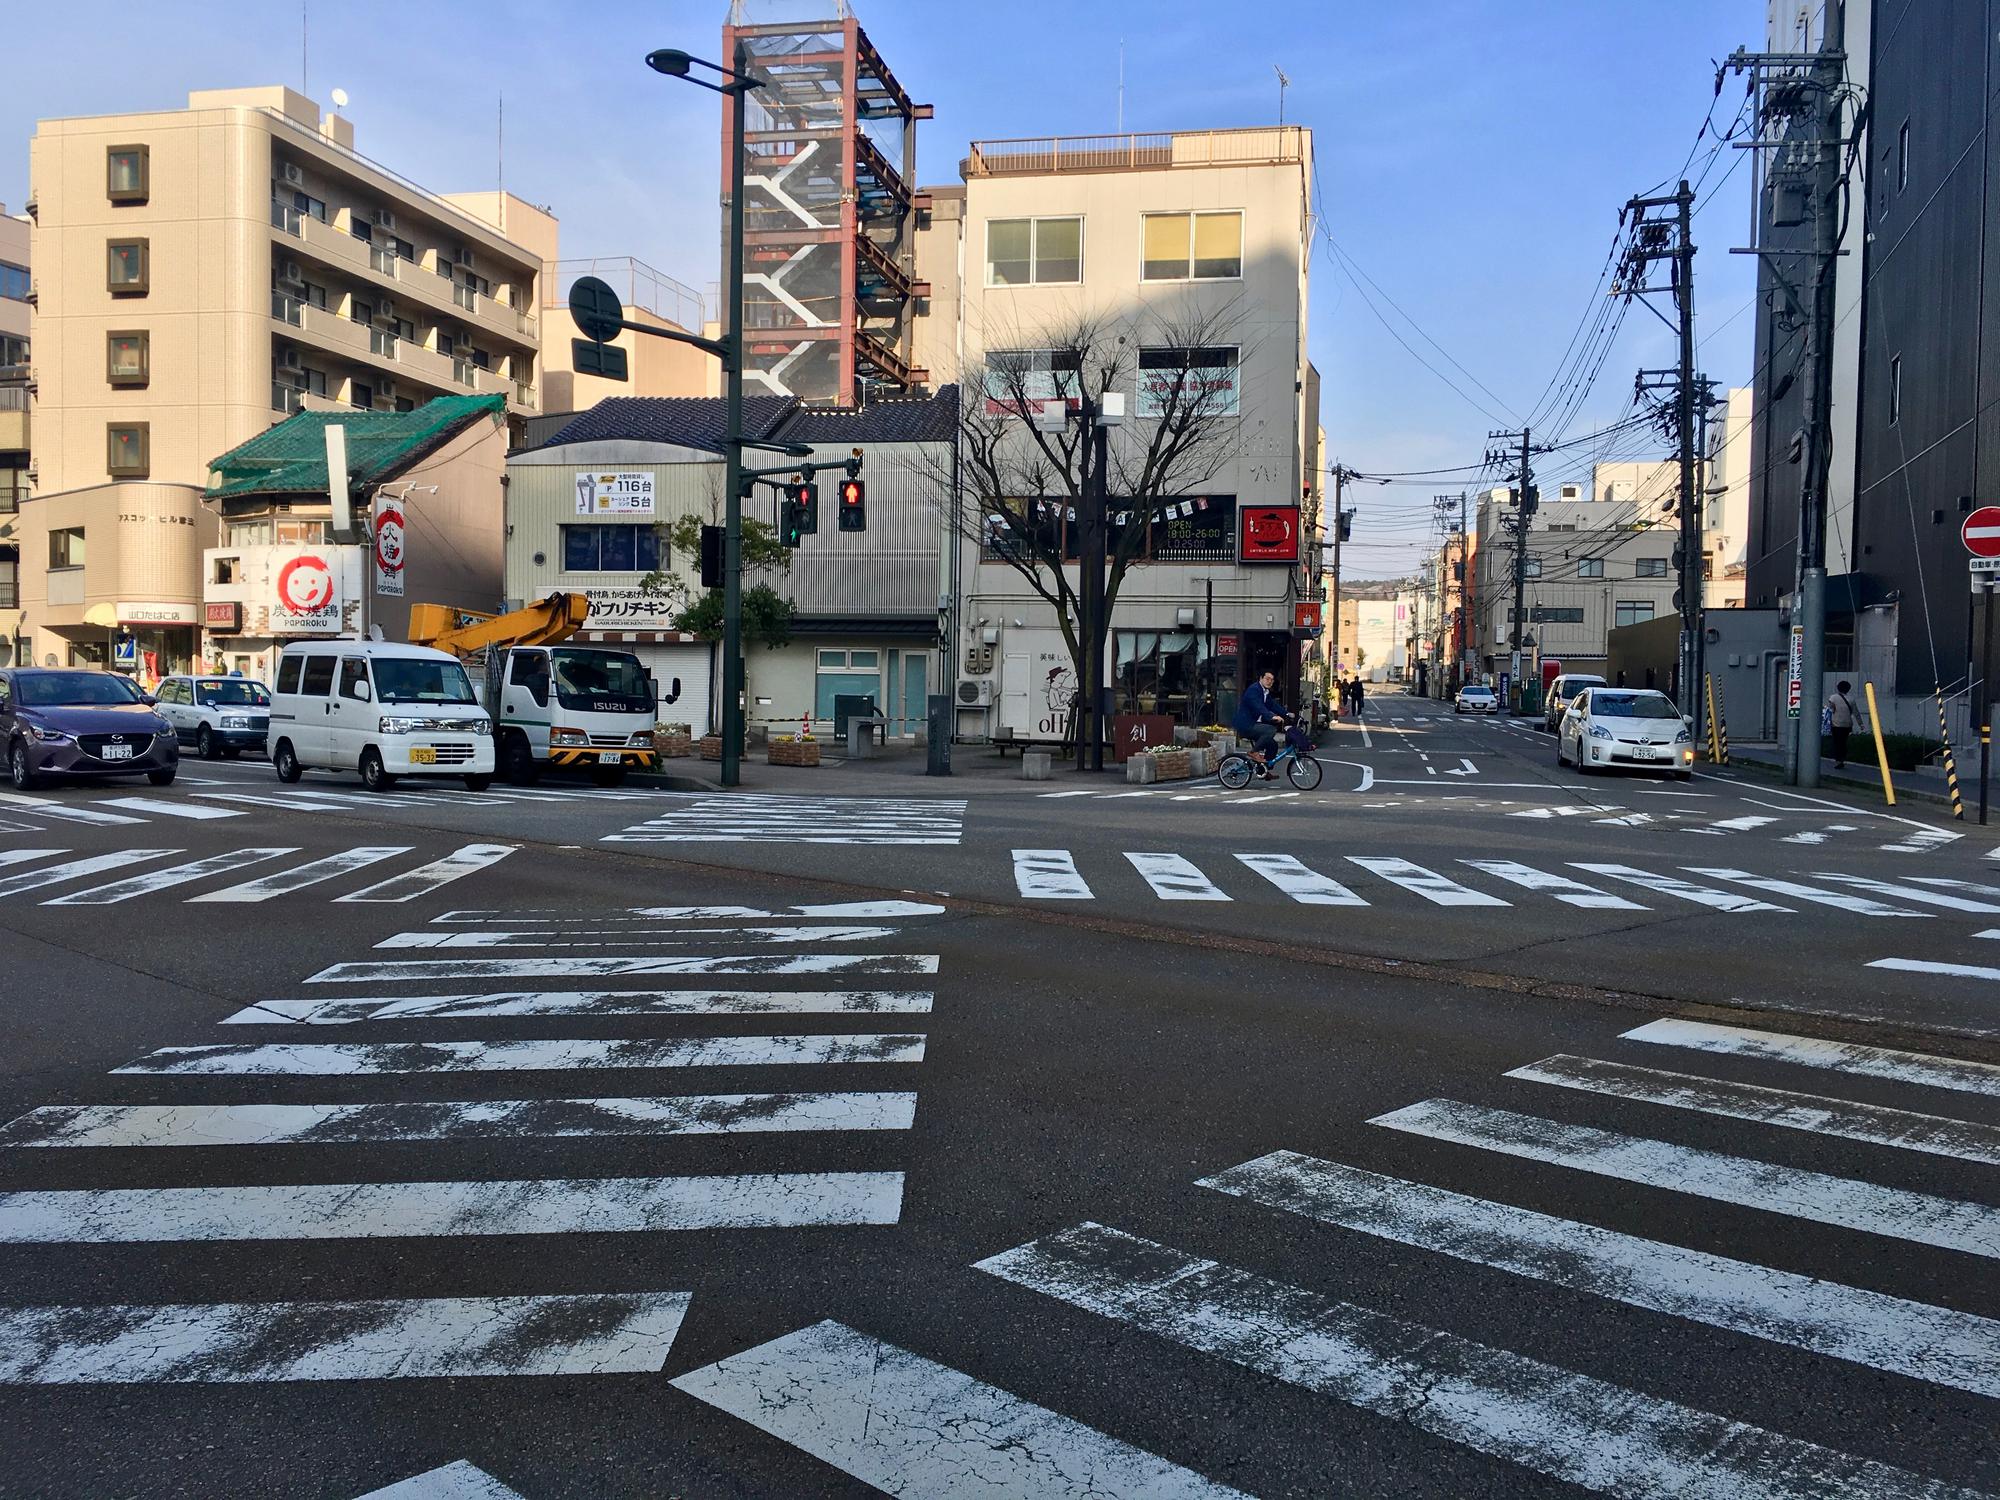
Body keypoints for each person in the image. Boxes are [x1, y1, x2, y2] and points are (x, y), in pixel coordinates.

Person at [1233, 670, 1292, 772]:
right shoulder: (1254, 690)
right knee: (1270, 730)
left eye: (1272, 680)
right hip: (1246, 725)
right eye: (1267, 679)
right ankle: (1254, 752)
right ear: (1261, 679)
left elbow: (1273, 705)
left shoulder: (1265, 692)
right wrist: (1271, 716)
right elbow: (1259, 707)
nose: (1270, 682)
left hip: (1254, 724)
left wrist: (1286, 713)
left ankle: (1263, 770)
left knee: (1272, 745)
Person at [1825, 679, 1859, 768]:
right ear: (1848, 689)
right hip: (1847, 724)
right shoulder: (1851, 699)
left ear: (1838, 688)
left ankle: (1838, 760)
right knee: (1843, 742)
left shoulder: (1833, 697)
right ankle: (1842, 758)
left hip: (1836, 724)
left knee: (1837, 742)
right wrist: (1861, 724)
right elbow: (1856, 712)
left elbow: (1831, 709)